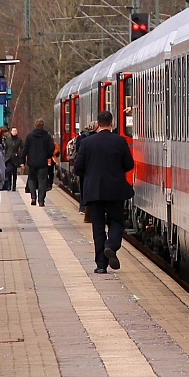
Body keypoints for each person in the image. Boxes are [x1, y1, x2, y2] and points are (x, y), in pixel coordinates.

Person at [73, 110, 135, 274]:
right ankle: (111, 245)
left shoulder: (87, 142)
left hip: (93, 190)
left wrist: (90, 174)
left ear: (98, 123)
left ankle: (101, 265)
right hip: (115, 190)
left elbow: (77, 167)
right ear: (111, 122)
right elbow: (129, 164)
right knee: (116, 221)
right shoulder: (119, 141)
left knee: (98, 227)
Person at [22, 118, 55, 207]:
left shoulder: (29, 136)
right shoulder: (47, 136)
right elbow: (51, 147)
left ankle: (33, 197)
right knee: (42, 181)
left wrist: (22, 161)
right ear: (43, 126)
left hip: (32, 162)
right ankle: (41, 201)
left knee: (32, 179)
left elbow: (25, 149)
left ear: (35, 125)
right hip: (42, 162)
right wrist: (47, 155)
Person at [2, 126, 23, 192]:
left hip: (15, 157)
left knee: (14, 171)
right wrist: (4, 156)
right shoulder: (8, 139)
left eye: (15, 131)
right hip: (8, 157)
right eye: (13, 131)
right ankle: (9, 184)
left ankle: (14, 185)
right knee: (8, 170)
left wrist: (19, 154)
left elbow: (22, 147)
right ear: (11, 131)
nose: (14, 132)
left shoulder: (19, 139)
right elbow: (5, 148)